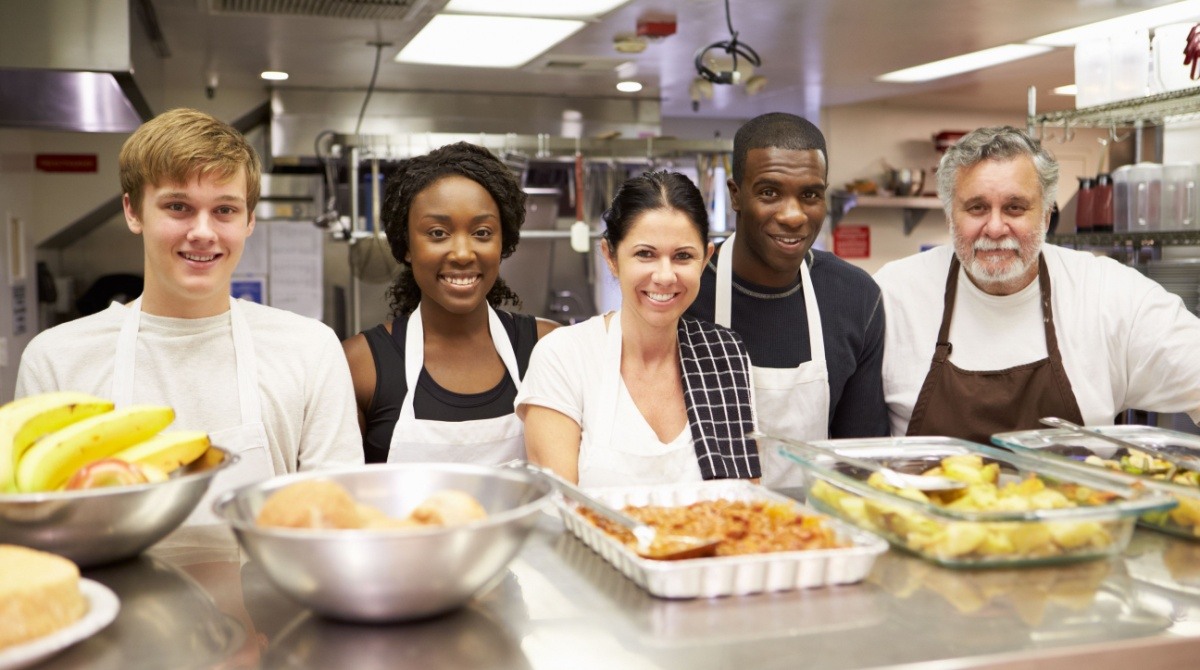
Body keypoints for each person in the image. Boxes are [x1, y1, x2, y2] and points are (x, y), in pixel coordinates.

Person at [16, 108, 363, 521]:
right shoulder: (57, 358)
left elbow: (335, 515)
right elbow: (37, 519)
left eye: (225, 210)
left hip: (271, 584)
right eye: (178, 206)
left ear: (249, 219)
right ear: (133, 212)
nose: (203, 232)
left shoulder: (309, 349)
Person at [874, 125, 1200, 442]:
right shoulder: (892, 296)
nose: (996, 227)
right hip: (925, 496)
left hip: (1076, 497)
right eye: (977, 208)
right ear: (950, 216)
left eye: (1015, 208)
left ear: (1045, 216)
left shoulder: (1109, 295)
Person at [518, 170, 759, 486]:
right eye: (645, 254)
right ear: (611, 256)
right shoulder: (563, 356)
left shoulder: (724, 355)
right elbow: (559, 506)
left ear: (705, 259)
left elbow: (746, 502)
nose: (665, 276)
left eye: (683, 256)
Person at [685, 112, 887, 488]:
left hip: (818, 528)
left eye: (810, 195)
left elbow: (860, 457)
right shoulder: (686, 293)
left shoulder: (855, 297)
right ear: (735, 195)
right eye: (769, 193)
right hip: (703, 525)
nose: (793, 216)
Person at [342, 142, 558, 464]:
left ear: (503, 242)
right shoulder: (360, 365)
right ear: (406, 246)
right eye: (438, 233)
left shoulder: (548, 348)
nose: (462, 253)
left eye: (482, 232)